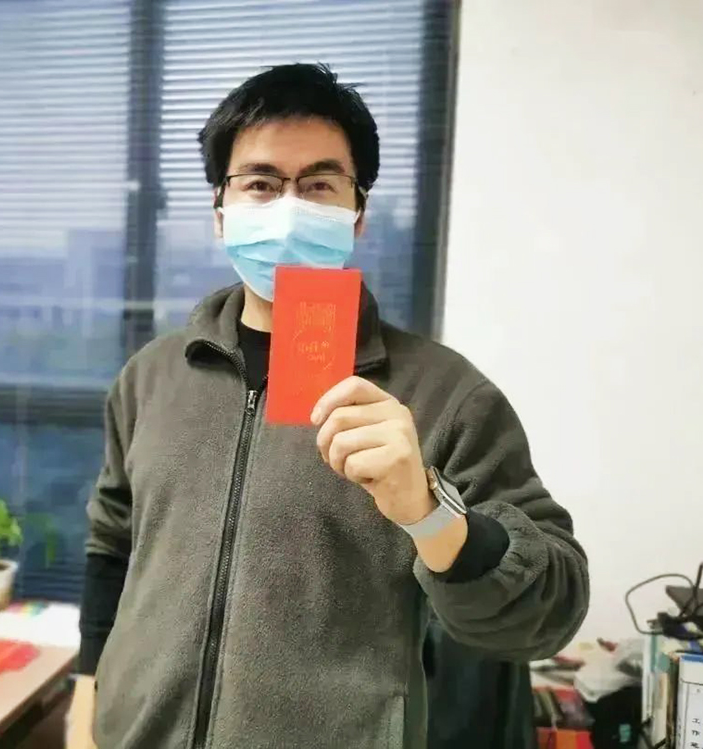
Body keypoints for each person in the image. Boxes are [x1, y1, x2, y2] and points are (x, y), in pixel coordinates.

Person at [78, 63, 589, 749]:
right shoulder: (152, 376)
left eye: (319, 184)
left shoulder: (446, 395)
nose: (289, 207)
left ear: (357, 214)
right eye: (261, 183)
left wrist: (429, 512)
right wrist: (86, 696)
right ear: (221, 211)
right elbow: (112, 543)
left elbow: (549, 614)